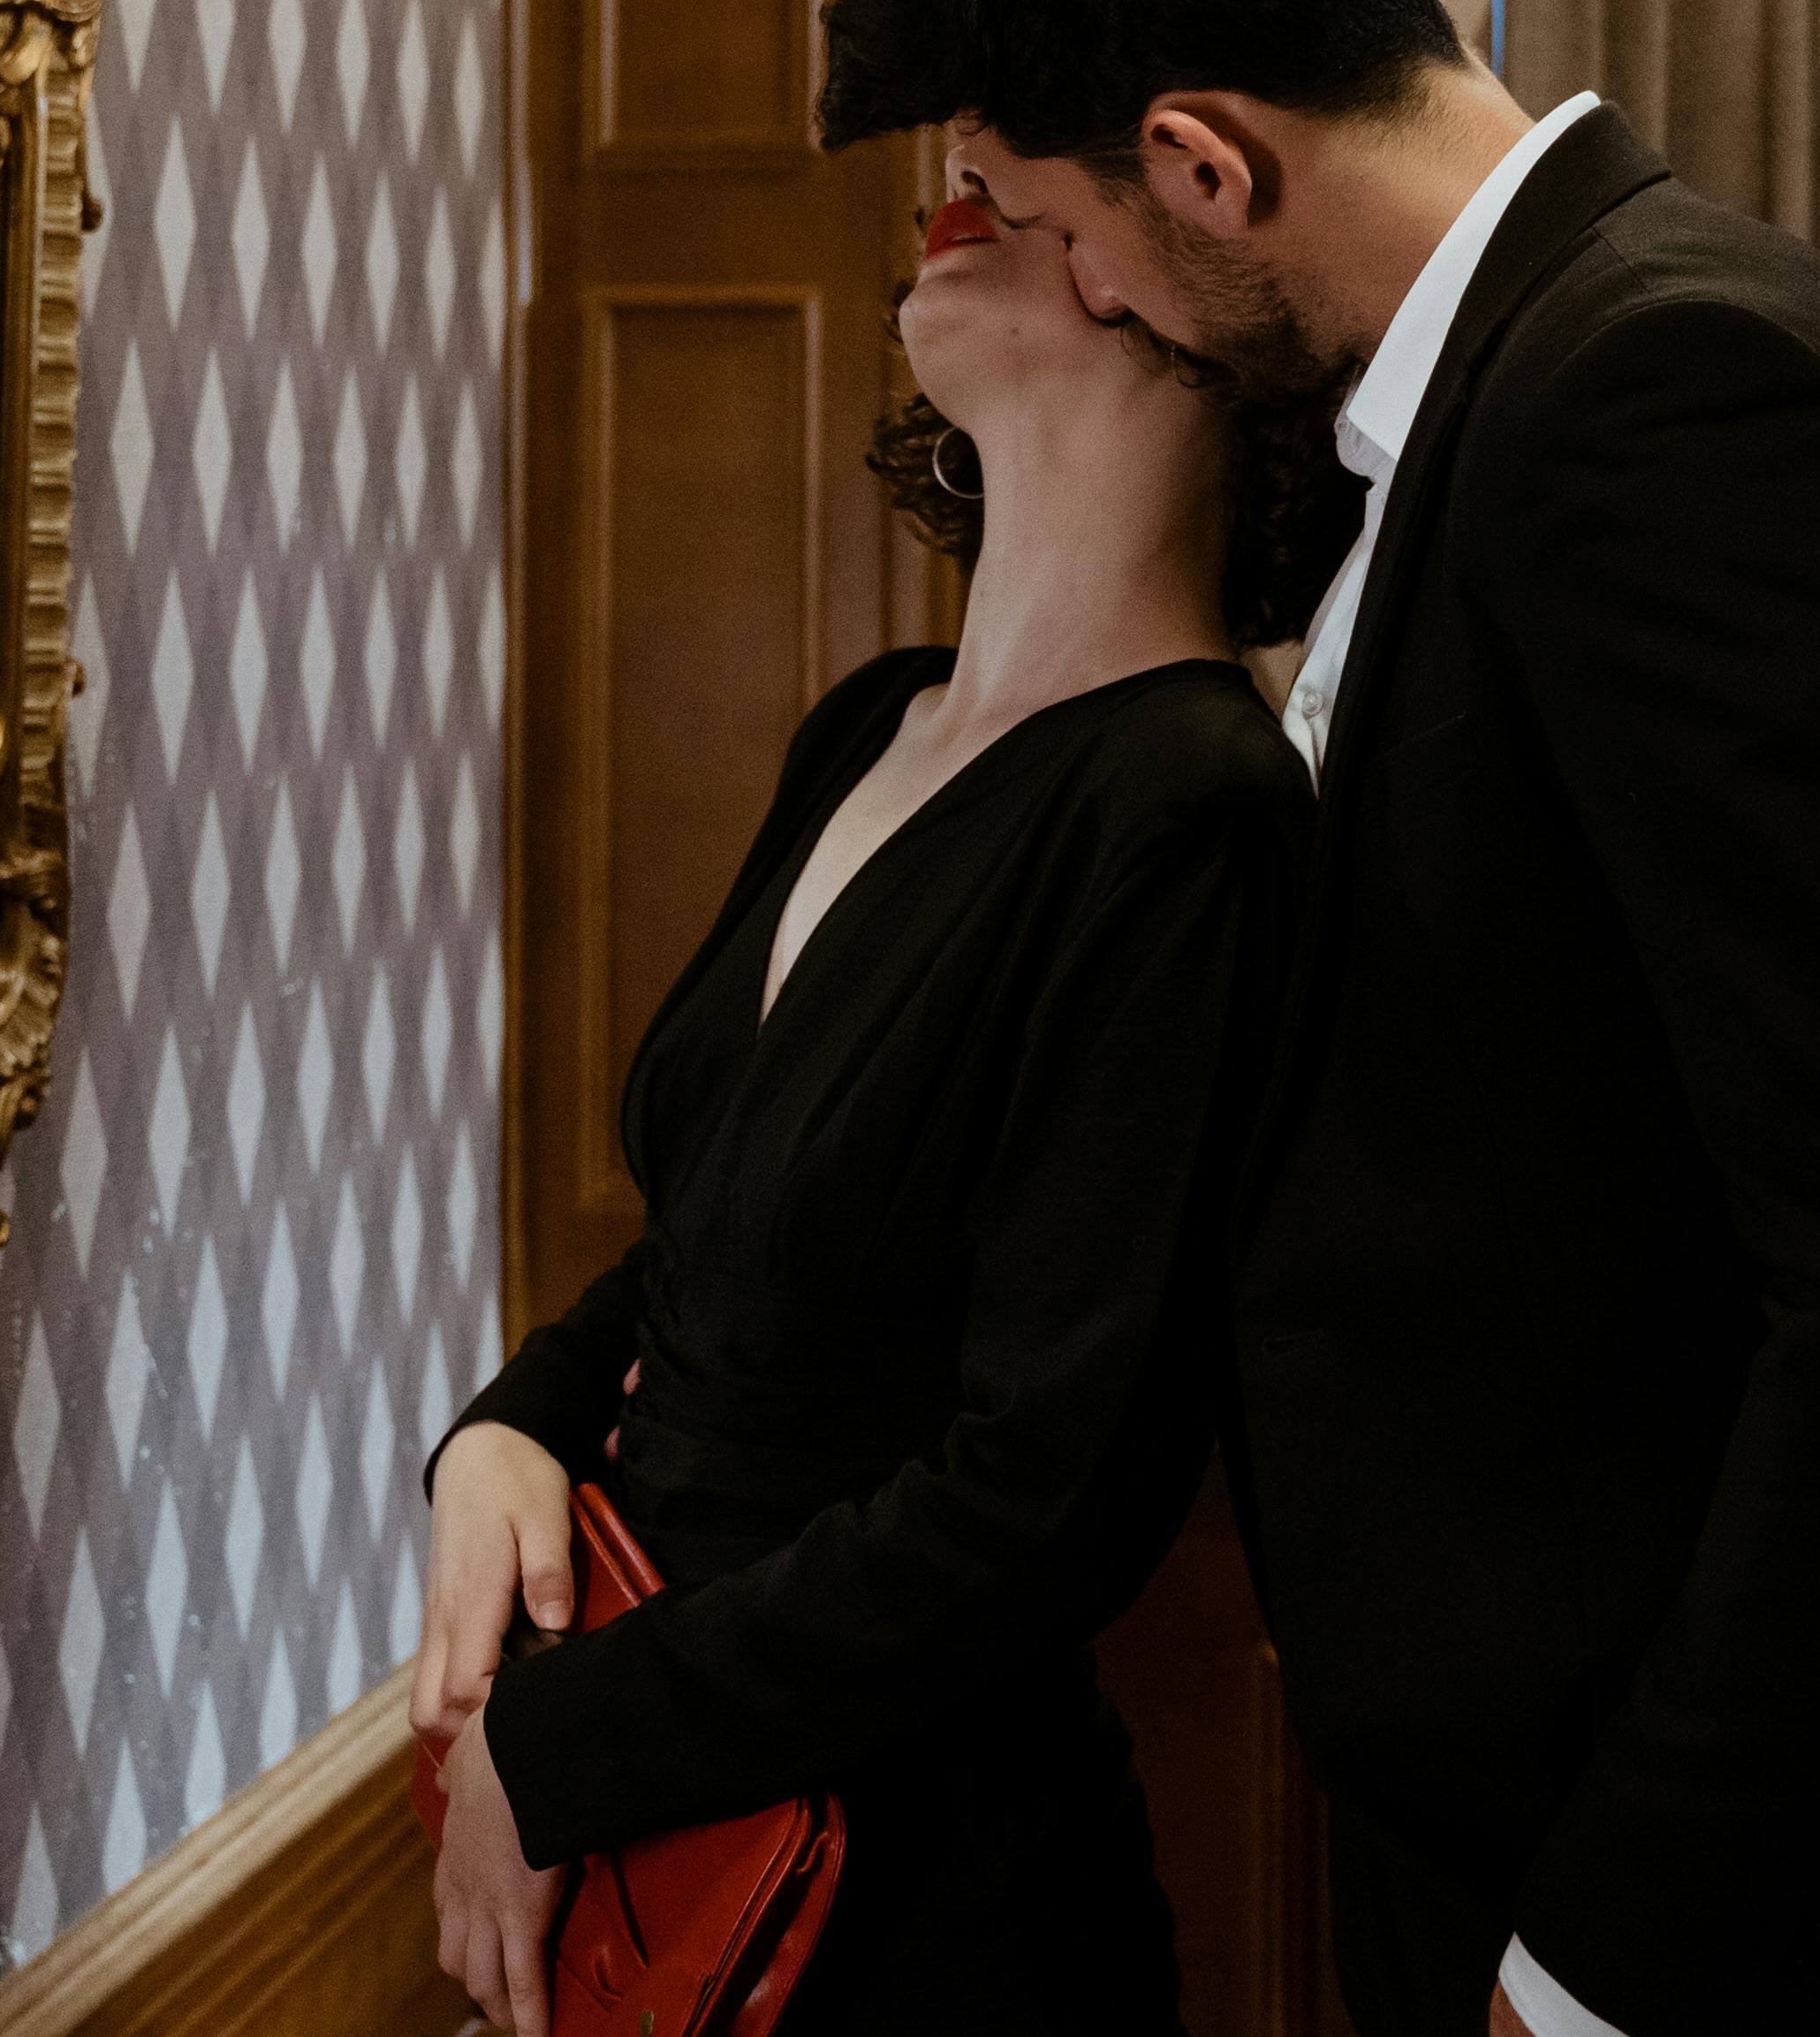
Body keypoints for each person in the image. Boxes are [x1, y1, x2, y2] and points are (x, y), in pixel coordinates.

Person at [812, 0, 1820, 2037]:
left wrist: (1602, 1964)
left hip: (1669, 1871)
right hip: (1522, 1796)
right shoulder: (1499, 400)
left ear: (1198, 159)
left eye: (1060, 226)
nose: (1095, 293)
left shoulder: (1666, 400)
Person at [405, 178, 1343, 2035]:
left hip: (913, 1902)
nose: (947, 198)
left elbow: (1046, 1499)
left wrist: (561, 1748)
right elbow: (716, 1245)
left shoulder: (1196, 808)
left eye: (1025, 183)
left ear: (1190, 301)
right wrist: (505, 1431)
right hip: (659, 1816)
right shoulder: (875, 718)